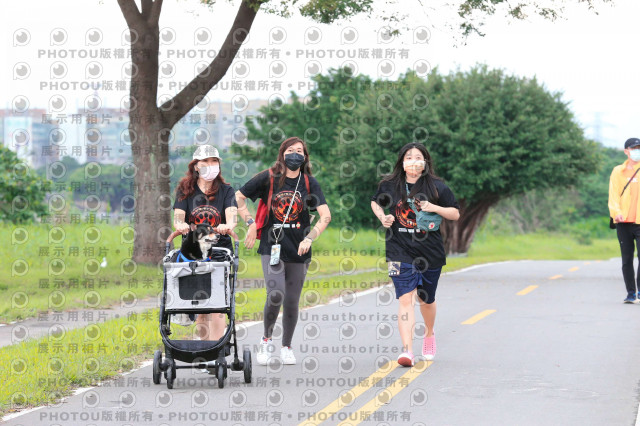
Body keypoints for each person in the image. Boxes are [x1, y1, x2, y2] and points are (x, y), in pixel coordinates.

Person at [236, 137, 331, 365]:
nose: (295, 154)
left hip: (299, 249)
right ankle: (266, 340)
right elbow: (238, 197)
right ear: (282, 154)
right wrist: (250, 223)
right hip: (272, 246)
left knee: (291, 301)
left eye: (299, 151)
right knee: (276, 293)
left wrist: (310, 238)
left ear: (305, 157)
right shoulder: (269, 178)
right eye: (290, 150)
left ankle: (286, 346)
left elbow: (325, 216)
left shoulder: (309, 183)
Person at [371, 142, 460, 366]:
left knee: (426, 300)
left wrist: (434, 208)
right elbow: (375, 202)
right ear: (402, 162)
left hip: (430, 251)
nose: (413, 161)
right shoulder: (389, 185)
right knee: (405, 298)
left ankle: (429, 333)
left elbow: (455, 213)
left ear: (425, 162)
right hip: (398, 250)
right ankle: (407, 351)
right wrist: (383, 217)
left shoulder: (437, 187)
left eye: (418, 157)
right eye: (408, 157)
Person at [173, 144, 238, 340]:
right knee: (200, 302)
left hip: (219, 251)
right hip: (193, 253)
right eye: (205, 161)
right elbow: (178, 217)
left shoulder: (226, 191)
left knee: (217, 303)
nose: (210, 165)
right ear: (196, 166)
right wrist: (181, 225)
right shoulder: (185, 190)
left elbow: (232, 216)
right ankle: (203, 346)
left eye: (214, 161)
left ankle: (215, 347)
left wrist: (227, 225)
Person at [609, 137, 640, 304]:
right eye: (634, 148)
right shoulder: (618, 171)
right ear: (626, 151)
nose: (637, 151)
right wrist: (616, 213)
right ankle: (631, 293)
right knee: (627, 260)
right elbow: (613, 195)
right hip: (623, 223)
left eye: (639, 148)